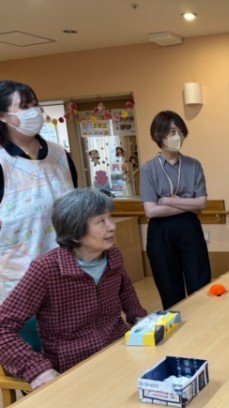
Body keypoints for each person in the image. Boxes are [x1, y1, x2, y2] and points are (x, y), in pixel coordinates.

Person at [0, 188, 148, 389]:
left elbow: (125, 289)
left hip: (119, 349)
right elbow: (3, 327)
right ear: (75, 232)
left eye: (110, 218)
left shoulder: (113, 255)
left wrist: (139, 317)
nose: (112, 226)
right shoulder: (46, 269)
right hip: (73, 365)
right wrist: (36, 369)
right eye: (101, 221)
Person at [0, 80, 78, 305]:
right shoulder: (2, 161)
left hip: (66, 272)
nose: (34, 112)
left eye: (35, 104)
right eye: (24, 107)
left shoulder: (59, 154)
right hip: (17, 279)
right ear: (3, 116)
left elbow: (75, 207)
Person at [141, 110, 211, 309]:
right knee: (170, 291)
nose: (178, 137)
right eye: (172, 132)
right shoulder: (148, 169)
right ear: (158, 135)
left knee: (200, 285)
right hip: (160, 232)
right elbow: (151, 211)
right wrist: (188, 204)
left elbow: (202, 203)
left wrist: (166, 201)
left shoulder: (193, 165)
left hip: (190, 228)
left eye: (181, 132)